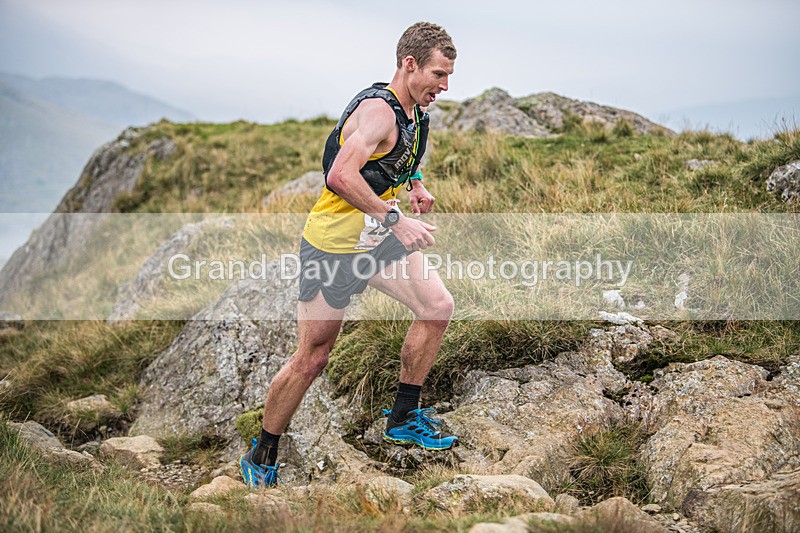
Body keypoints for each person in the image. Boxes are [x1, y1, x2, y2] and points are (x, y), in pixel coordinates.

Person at [240, 22, 458, 488]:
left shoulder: (415, 109)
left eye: (449, 76)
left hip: (373, 237)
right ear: (410, 64)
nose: (444, 86)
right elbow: (339, 176)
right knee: (313, 358)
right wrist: (395, 218)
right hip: (334, 244)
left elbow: (404, 154)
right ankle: (263, 450)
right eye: (439, 74)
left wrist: (415, 186)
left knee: (437, 306)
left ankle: (403, 415)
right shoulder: (378, 111)